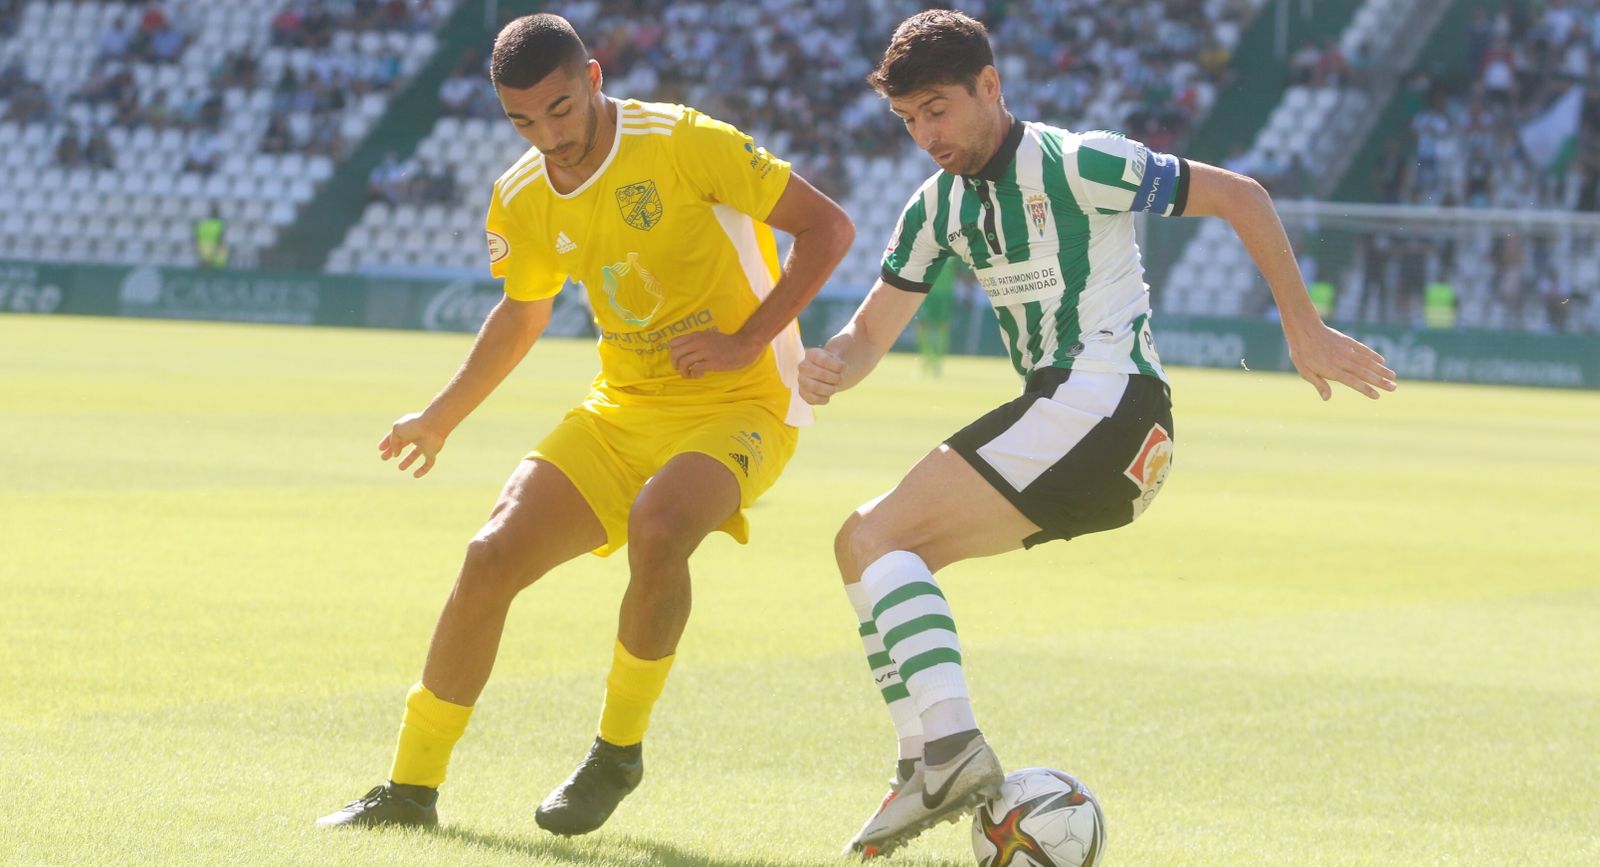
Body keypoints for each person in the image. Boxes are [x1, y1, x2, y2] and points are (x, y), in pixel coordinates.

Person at [795, 11, 1397, 859]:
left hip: (1110, 402)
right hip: (1097, 438)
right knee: (867, 549)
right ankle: (922, 757)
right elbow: (868, 335)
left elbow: (1241, 194)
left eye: (937, 109)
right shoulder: (936, 209)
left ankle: (950, 747)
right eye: (908, 120)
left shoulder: (1079, 161)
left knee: (879, 535)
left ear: (990, 88)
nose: (925, 134)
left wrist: (1302, 326)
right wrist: (832, 365)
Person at [316, 13, 852, 834]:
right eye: (522, 121)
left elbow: (829, 228)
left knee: (661, 523)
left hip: (745, 400)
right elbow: (522, 313)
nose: (548, 136)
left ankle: (616, 752)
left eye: (561, 109)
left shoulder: (683, 140)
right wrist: (440, 415)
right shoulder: (523, 194)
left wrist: (747, 338)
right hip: (622, 407)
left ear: (594, 78)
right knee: (489, 555)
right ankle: (411, 790)